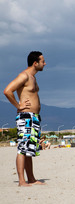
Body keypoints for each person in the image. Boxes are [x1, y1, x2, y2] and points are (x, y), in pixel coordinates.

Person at [3, 51, 46, 187]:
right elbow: (7, 90)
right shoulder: (24, 76)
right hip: (26, 116)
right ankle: (22, 181)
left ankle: (31, 178)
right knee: (23, 148)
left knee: (30, 148)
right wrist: (18, 105)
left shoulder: (33, 77)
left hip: (33, 117)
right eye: (42, 61)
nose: (44, 63)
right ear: (35, 63)